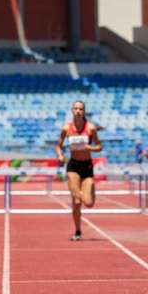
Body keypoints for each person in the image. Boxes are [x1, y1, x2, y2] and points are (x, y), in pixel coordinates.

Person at [55, 100, 102, 241]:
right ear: (72, 111)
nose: (78, 111)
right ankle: (77, 231)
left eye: (80, 109)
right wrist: (60, 155)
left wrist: (90, 148)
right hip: (73, 165)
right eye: (75, 108)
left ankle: (87, 192)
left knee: (88, 203)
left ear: (84, 111)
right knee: (76, 202)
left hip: (87, 166)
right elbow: (58, 146)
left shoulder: (91, 128)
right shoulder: (66, 128)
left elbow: (99, 146)